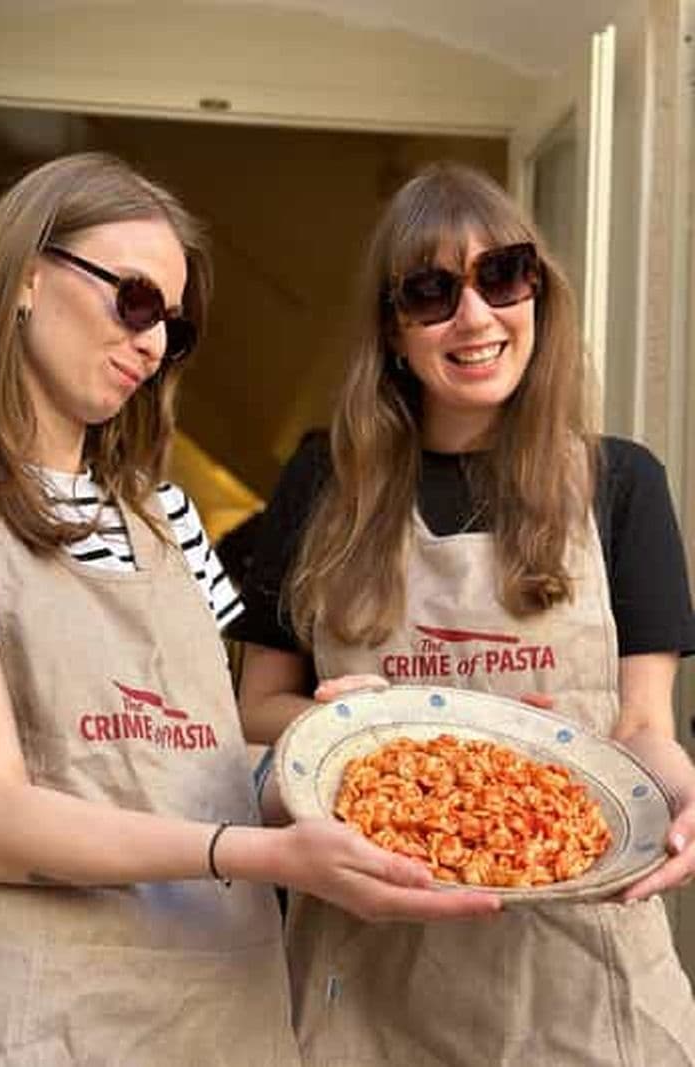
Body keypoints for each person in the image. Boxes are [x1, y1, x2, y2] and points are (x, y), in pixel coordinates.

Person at [0, 153, 500, 1067]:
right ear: (24, 274)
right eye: (135, 300)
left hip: (229, 1024)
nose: (151, 343)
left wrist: (335, 749)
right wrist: (268, 858)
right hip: (44, 1028)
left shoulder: (165, 515)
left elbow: (199, 768)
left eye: (171, 328)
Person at [230, 161, 695, 1065]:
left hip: (579, 970)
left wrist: (681, 794)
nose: (475, 316)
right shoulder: (324, 482)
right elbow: (256, 711)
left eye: (503, 276)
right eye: (432, 292)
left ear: (539, 296)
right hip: (370, 969)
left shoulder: (622, 482)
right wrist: (349, 722)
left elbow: (641, 722)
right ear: (392, 330)